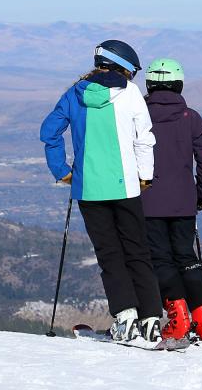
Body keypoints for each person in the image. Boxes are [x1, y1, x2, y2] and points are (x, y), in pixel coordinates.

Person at [39, 40, 161, 342]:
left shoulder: (75, 93)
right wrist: (145, 175)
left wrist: (62, 170)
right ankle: (151, 321)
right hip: (127, 186)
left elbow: (49, 132)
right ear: (124, 68)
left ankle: (125, 318)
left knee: (109, 254)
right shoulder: (131, 93)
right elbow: (144, 138)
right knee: (137, 251)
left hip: (89, 189)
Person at [140, 58, 202, 342]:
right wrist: (201, 193)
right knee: (186, 257)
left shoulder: (138, 115)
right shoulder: (191, 117)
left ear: (149, 84)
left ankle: (178, 318)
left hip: (148, 201)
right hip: (185, 201)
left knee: (160, 259)